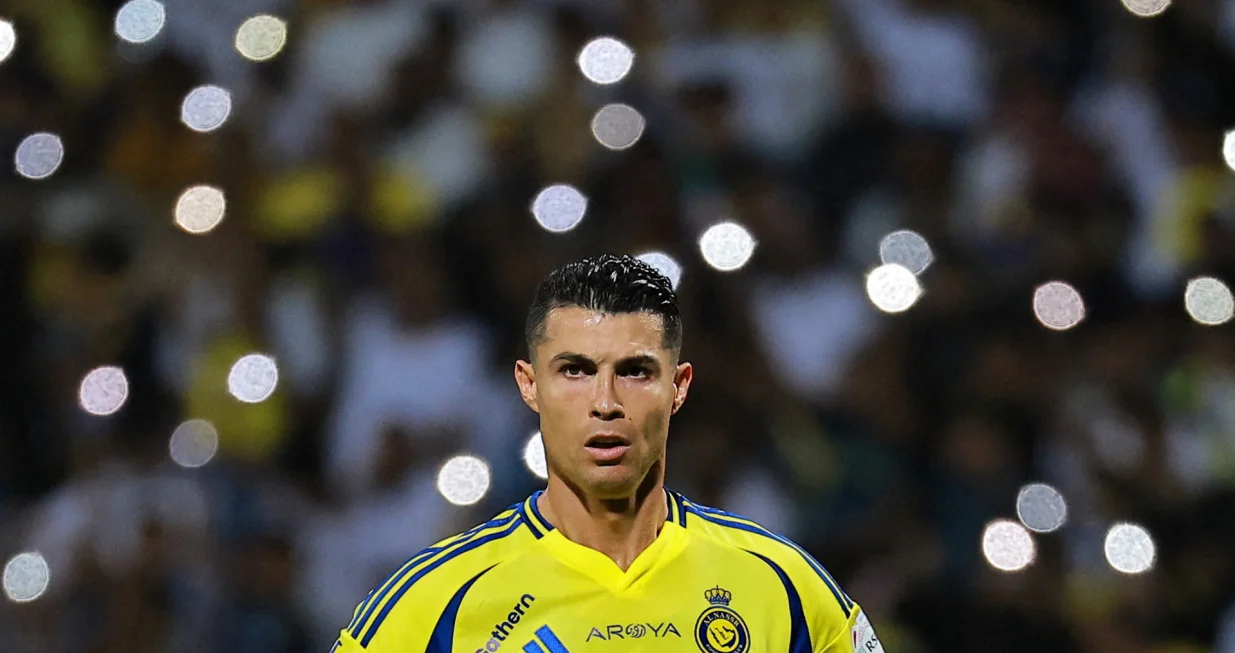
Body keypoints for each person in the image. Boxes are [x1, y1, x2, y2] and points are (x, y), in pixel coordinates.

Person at [331, 254, 884, 653]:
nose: (606, 403)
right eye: (575, 371)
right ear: (528, 386)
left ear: (679, 387)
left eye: (636, 372)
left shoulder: (782, 586)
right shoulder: (431, 605)